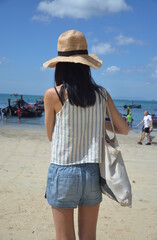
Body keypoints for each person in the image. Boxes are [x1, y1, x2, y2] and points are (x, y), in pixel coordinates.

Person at [44, 29, 129, 240]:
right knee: (89, 237)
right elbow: (124, 129)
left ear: (60, 65)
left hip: (63, 170)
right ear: (85, 64)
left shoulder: (53, 94)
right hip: (91, 172)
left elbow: (51, 136)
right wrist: (98, 121)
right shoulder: (101, 94)